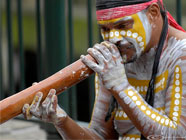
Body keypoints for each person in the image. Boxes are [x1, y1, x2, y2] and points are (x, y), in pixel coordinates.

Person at [22, 0, 186, 139]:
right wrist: (61, 120)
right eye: (105, 29)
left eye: (123, 26)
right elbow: (100, 135)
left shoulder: (181, 54)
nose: (113, 38)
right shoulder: (113, 60)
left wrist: (120, 87)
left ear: (153, 13)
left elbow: (178, 135)